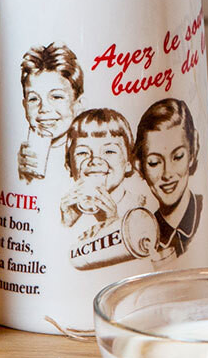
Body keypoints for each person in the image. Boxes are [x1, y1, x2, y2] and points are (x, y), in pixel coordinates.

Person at [58, 108, 158, 261]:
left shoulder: (139, 210)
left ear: (129, 163)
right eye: (82, 153)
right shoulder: (69, 212)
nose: (95, 160)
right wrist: (65, 224)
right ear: (69, 165)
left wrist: (113, 224)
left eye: (109, 151)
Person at [135, 98, 203, 260]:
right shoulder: (144, 237)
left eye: (178, 157)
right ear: (139, 166)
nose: (167, 174)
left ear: (193, 151)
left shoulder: (203, 212)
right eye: (154, 162)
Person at [18, 43, 83, 184]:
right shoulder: (20, 156)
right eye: (33, 99)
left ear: (78, 104)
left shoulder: (88, 155)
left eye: (56, 97)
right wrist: (21, 177)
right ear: (25, 105)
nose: (44, 108)